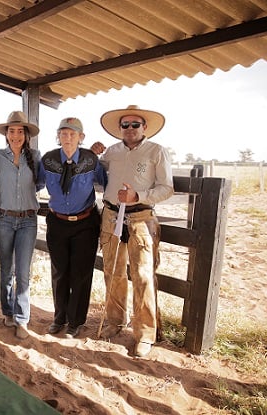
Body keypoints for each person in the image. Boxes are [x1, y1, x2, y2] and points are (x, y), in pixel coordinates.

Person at [94, 104, 173, 357]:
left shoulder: (157, 151)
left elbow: (166, 188)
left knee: (143, 275)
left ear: (144, 127)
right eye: (125, 125)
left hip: (141, 216)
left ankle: (145, 334)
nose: (129, 129)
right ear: (120, 129)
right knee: (113, 271)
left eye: (134, 124)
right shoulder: (112, 152)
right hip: (110, 216)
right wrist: (93, 154)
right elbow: (96, 170)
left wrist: (138, 194)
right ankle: (116, 322)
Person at [40, 117, 106, 338]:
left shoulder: (91, 159)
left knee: (81, 273)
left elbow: (107, 183)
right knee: (59, 272)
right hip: (57, 221)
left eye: (73, 134)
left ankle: (75, 322)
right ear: (58, 136)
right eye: (64, 133)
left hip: (85, 222)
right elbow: (35, 183)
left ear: (81, 137)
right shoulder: (48, 160)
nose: (68, 137)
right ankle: (59, 318)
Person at [0, 111, 44, 340]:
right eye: (11, 131)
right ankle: (8, 312)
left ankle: (22, 319)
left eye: (20, 131)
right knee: (6, 271)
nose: (15, 135)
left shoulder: (36, 156)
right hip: (3, 219)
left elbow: (42, 183)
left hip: (28, 221)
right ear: (6, 134)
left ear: (26, 134)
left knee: (23, 271)